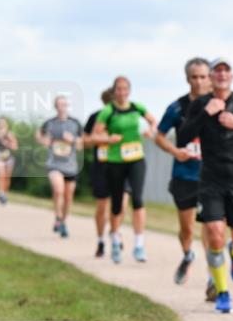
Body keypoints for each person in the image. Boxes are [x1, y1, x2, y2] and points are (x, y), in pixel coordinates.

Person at [177, 57, 233, 314]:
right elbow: (183, 137)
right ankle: (222, 292)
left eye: (225, 70)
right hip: (211, 179)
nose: (221, 74)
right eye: (216, 71)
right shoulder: (200, 105)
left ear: (231, 76)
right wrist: (205, 114)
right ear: (210, 77)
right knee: (215, 234)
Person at [155, 57, 214, 292]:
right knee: (187, 228)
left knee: (211, 227)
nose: (199, 82)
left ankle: (213, 278)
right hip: (184, 174)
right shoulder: (177, 107)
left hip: (210, 175)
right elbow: (159, 135)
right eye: (194, 77)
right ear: (187, 79)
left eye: (203, 76)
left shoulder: (218, 103)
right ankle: (188, 254)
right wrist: (175, 151)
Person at [92, 76, 157, 264]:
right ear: (114, 92)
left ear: (129, 91)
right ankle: (114, 241)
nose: (121, 92)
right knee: (117, 204)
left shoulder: (137, 107)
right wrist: (108, 138)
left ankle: (139, 245)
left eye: (125, 89)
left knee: (137, 199)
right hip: (115, 160)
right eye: (118, 89)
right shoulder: (108, 111)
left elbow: (153, 122)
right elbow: (96, 134)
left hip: (136, 158)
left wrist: (150, 131)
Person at [36, 96, 84, 238]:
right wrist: (43, 140)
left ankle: (63, 222)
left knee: (68, 197)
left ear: (67, 105)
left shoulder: (75, 123)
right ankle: (57, 217)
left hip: (70, 165)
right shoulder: (49, 123)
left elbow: (81, 145)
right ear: (55, 107)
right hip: (54, 164)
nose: (61, 107)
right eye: (58, 105)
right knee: (58, 191)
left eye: (63, 104)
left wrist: (73, 140)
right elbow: (38, 135)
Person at [83, 88, 115, 257]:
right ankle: (101, 239)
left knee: (121, 203)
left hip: (123, 165)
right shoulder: (95, 117)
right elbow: (85, 141)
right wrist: (104, 139)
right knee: (102, 206)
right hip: (102, 165)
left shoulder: (126, 117)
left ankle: (114, 232)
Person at [0, 117, 18, 204]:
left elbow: (15, 147)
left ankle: (4, 194)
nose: (1, 125)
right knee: (1, 175)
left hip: (8, 158)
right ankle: (0, 193)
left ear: (6, 125)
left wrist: (8, 144)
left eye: (3, 123)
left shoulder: (10, 134)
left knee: (7, 177)